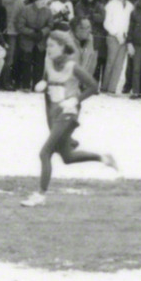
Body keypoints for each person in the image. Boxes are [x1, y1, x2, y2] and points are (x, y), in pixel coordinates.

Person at [20, 30, 119, 207]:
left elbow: (94, 86)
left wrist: (75, 99)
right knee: (67, 157)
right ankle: (104, 158)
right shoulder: (48, 62)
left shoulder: (73, 66)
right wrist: (43, 86)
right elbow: (48, 87)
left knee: (45, 153)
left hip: (69, 112)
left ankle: (41, 195)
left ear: (62, 47)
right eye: (48, 45)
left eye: (52, 45)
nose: (48, 48)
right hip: (55, 112)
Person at [15, 0, 53, 91]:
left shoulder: (47, 11)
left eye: (43, 0)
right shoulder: (26, 10)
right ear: (35, 0)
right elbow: (20, 26)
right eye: (40, 0)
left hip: (40, 42)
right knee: (26, 63)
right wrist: (31, 33)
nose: (42, 2)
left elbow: (50, 25)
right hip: (27, 41)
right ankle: (26, 85)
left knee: (39, 64)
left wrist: (42, 32)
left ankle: (37, 86)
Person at [102, 0, 134, 93]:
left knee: (119, 65)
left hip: (124, 38)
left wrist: (126, 35)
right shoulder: (111, 5)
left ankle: (112, 88)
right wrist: (116, 33)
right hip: (113, 37)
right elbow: (106, 23)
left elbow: (131, 23)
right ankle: (104, 87)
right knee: (110, 62)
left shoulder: (130, 6)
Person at [0, 0, 27, 90]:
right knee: (9, 57)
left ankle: (15, 80)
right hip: (10, 31)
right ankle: (5, 82)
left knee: (18, 57)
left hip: (20, 30)